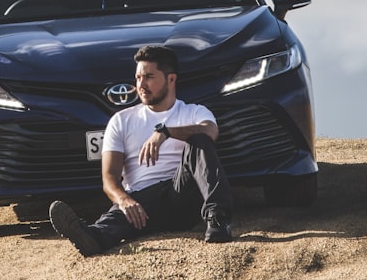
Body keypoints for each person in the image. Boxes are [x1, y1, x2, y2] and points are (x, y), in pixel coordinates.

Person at [49, 44, 234, 256]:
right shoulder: (121, 120)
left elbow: (210, 132)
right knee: (124, 210)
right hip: (143, 206)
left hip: (181, 196)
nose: (141, 85)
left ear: (170, 79)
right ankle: (92, 236)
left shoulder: (194, 112)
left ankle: (218, 220)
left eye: (149, 77)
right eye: (138, 78)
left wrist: (165, 132)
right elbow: (109, 178)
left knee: (198, 139)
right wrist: (123, 199)